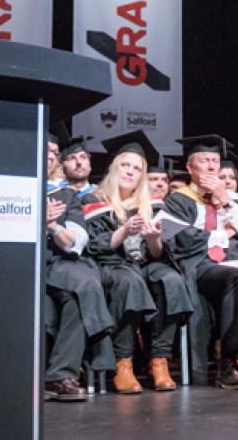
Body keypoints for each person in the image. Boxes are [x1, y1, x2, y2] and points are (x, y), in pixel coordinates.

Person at [159, 135, 238, 389]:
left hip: (235, 261)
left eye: (215, 161)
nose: (212, 166)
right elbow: (182, 239)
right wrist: (225, 234)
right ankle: (228, 363)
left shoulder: (234, 200)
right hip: (198, 264)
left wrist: (225, 199)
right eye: (205, 161)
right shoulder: (177, 200)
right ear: (190, 168)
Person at [81, 132, 172, 393]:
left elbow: (156, 254)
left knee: (171, 281)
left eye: (137, 169)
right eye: (126, 165)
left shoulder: (150, 205)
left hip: (143, 265)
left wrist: (154, 240)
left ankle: (159, 361)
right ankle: (124, 363)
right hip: (108, 266)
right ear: (112, 167)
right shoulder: (92, 201)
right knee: (129, 281)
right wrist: (123, 232)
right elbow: (90, 246)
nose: (130, 172)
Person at [43, 132, 113, 402]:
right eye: (44, 149)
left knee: (85, 285)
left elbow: (75, 240)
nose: (50, 155)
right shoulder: (11, 188)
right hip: (20, 263)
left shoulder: (65, 195)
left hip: (58, 261)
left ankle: (61, 376)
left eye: (54, 152)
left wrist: (52, 227)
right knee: (76, 292)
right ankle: (57, 374)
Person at [57, 128, 98, 199]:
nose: (79, 162)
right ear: (62, 166)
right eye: (72, 158)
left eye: (83, 157)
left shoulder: (100, 194)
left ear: (90, 166)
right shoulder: (55, 194)